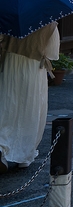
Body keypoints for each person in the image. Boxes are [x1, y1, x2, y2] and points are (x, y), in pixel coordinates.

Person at [0, 21, 60, 172]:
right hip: (33, 67)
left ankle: (3, 148)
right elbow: (53, 52)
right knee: (30, 108)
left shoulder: (9, 15)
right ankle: (25, 155)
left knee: (8, 104)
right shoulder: (48, 22)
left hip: (10, 62)